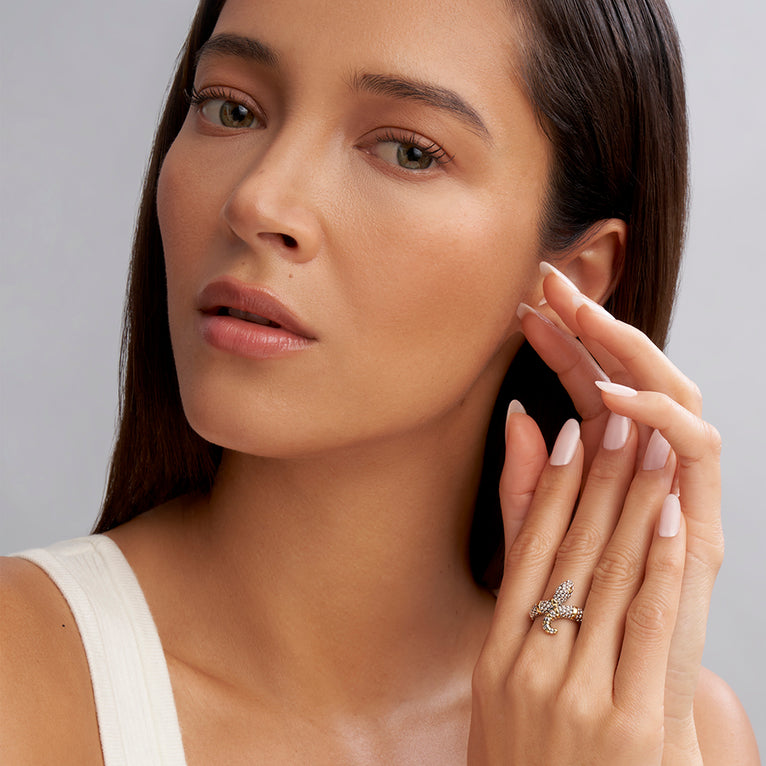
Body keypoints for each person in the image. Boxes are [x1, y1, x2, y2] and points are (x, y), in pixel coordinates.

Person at [0, 0, 759, 762]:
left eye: (407, 151)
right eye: (231, 108)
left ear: (570, 279)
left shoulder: (671, 736)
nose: (258, 200)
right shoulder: (18, 673)